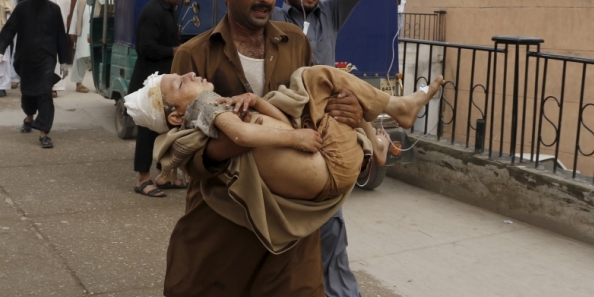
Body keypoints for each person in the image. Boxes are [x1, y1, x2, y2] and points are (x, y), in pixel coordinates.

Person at [154, 0, 365, 297]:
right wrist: (236, 141)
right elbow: (185, 152)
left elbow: (318, 110)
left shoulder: (296, 41)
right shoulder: (192, 54)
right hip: (227, 213)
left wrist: (348, 111)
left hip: (292, 219)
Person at [261, 0, 397, 297]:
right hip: (274, 134)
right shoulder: (268, 17)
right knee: (262, 236)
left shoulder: (329, 15)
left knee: (331, 230)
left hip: (323, 140)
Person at [127, 66, 441, 203]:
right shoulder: (206, 109)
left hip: (330, 167)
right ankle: (398, 112)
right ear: (175, 115)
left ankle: (378, 141)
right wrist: (296, 139)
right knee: (313, 77)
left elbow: (280, 127)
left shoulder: (210, 111)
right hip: (332, 165)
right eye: (179, 83)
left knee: (325, 87)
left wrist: (258, 101)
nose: (189, 74)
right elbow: (244, 137)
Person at [128, 0, 192, 198]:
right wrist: (174, 51)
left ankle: (164, 175)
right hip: (149, 84)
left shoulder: (169, 8)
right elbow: (145, 48)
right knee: (147, 132)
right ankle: (143, 179)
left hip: (162, 82)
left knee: (165, 131)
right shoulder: (153, 11)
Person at [0, 0, 70, 149]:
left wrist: (64, 60)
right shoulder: (21, 9)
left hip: (47, 58)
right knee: (28, 94)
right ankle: (29, 117)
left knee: (45, 92)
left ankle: (44, 133)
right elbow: (8, 31)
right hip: (26, 58)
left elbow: (60, 35)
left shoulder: (54, 9)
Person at [10, 0, 42, 89]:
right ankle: (14, 78)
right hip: (23, 23)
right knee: (17, 50)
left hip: (38, 23)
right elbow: (14, 3)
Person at [67, 0, 100, 93]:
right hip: (83, 32)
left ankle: (99, 85)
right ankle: (79, 83)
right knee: (80, 57)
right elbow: (76, 14)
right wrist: (72, 31)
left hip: (98, 33)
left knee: (98, 58)